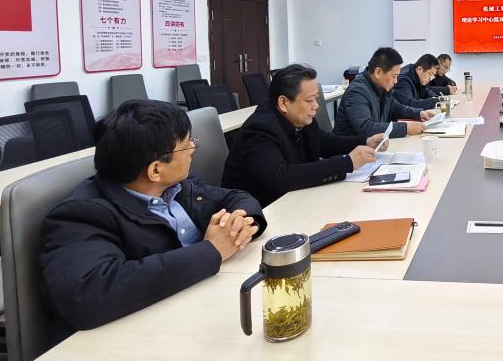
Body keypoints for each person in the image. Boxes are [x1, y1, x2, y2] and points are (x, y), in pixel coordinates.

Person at [39, 100, 266, 332]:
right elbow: (88, 295)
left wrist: (239, 222)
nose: (193, 149)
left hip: (205, 302)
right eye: (186, 145)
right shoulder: (81, 215)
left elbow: (236, 197)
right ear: (155, 170)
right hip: (152, 332)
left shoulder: (175, 186)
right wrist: (212, 250)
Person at [222, 65, 388, 206]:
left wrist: (366, 141)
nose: (316, 106)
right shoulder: (259, 130)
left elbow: (326, 142)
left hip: (294, 201)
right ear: (283, 103)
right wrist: (347, 163)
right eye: (309, 100)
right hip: (261, 212)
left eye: (316, 99)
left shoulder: (300, 118)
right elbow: (281, 178)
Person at [335, 47, 432, 138]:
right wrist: (406, 128)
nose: (396, 81)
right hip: (350, 148)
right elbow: (366, 128)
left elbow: (397, 109)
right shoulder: (357, 91)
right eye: (394, 76)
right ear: (378, 73)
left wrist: (419, 113)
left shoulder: (382, 87)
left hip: (373, 145)